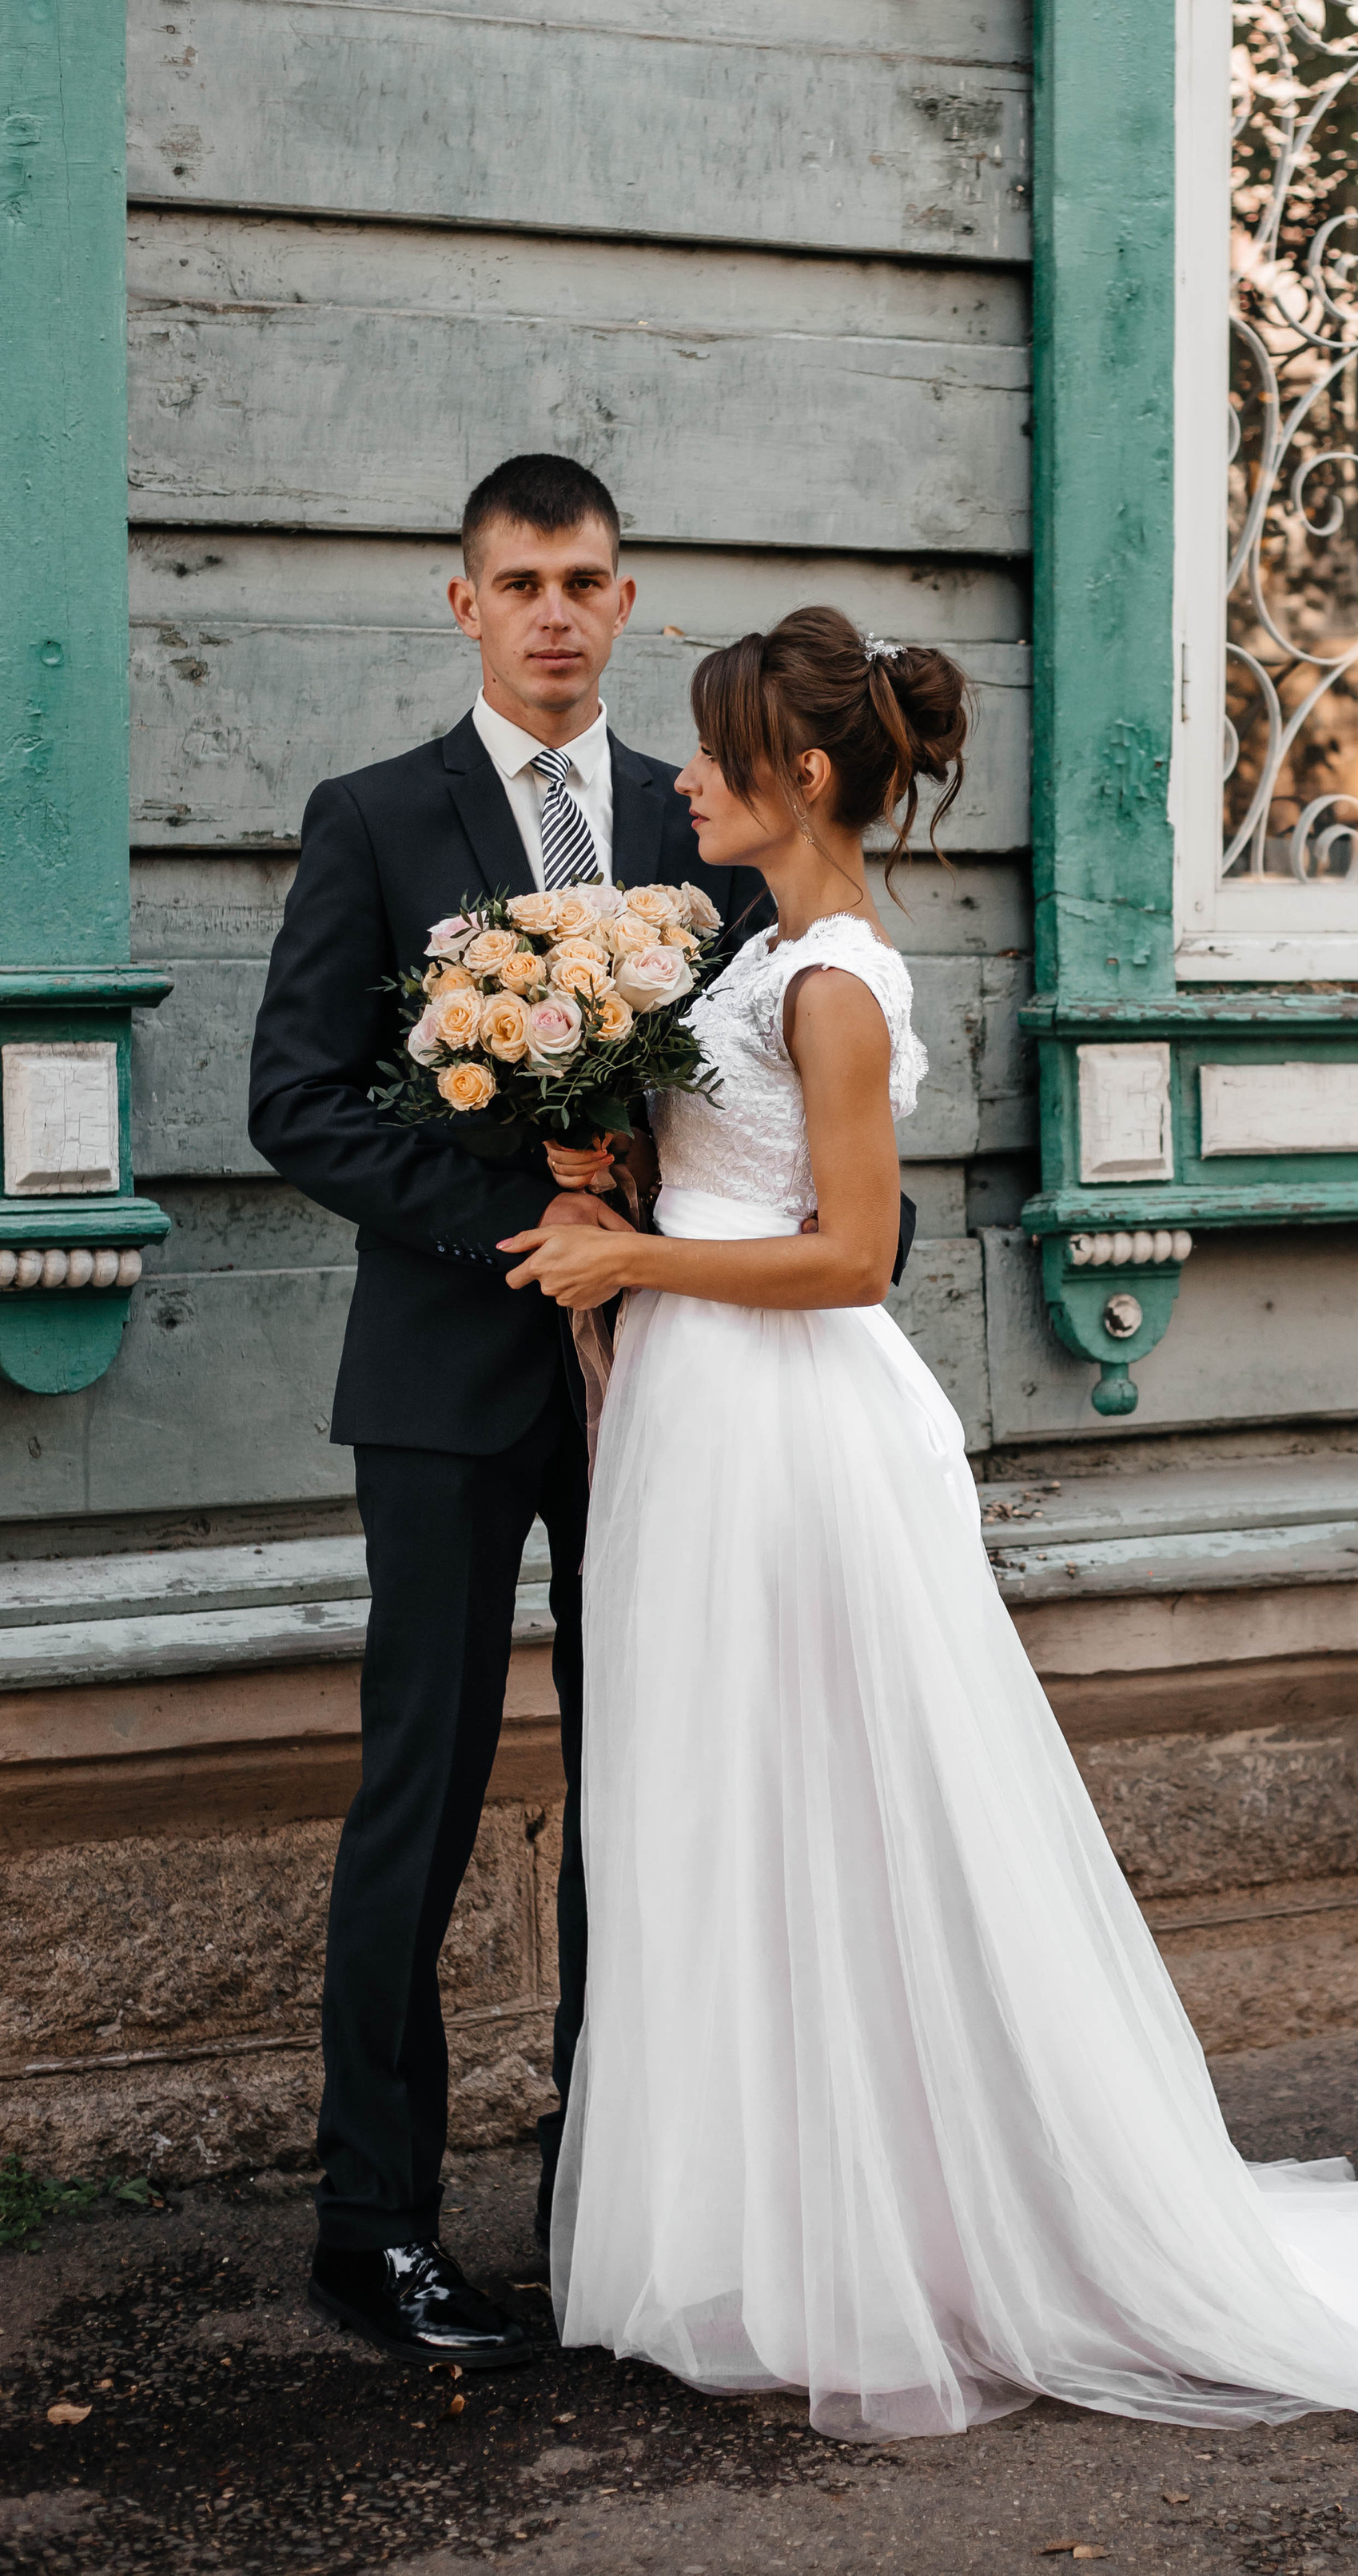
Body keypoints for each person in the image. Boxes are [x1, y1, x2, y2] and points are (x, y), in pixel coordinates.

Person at [501, 604, 1358, 2463]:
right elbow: (729, 1173)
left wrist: (625, 1254)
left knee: (838, 1806)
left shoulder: (834, 980)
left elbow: (845, 1255)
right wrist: (599, 1164)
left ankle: (909, 2244)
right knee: (729, 1806)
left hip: (787, 1424)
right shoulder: (755, 958)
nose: (680, 779)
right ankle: (778, 2233)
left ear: (802, 778)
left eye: (711, 753)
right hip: (697, 1411)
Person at [245, 454, 771, 2369]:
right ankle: (368, 2226)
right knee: (425, 1790)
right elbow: (296, 1099)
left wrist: (661, 1247)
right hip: (451, 1382)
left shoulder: (692, 819)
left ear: (629, 605)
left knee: (644, 1788)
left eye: (589, 579)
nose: (557, 610)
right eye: (521, 581)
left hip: (668, 1385)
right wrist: (520, 1221)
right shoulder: (375, 819)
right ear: (460, 604)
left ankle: (606, 2190)